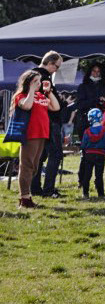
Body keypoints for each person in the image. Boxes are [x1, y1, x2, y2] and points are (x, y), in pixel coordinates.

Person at [9, 69, 58, 208]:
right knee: (27, 166)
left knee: (35, 167)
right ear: (29, 82)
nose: (39, 83)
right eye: (36, 81)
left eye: (39, 81)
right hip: (30, 134)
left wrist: (48, 92)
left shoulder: (41, 96)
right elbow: (27, 105)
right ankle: (24, 198)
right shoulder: (21, 96)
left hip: (42, 134)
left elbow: (56, 107)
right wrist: (31, 90)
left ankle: (27, 196)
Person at [30, 51, 66, 199]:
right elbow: (50, 103)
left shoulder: (31, 75)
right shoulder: (43, 78)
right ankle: (48, 189)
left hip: (39, 121)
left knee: (40, 155)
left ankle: (36, 188)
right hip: (49, 121)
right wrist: (60, 101)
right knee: (55, 154)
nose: (56, 70)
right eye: (57, 67)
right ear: (50, 63)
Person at [73, 63, 105, 144]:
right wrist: (96, 100)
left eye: (98, 71)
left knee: (100, 147)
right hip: (85, 121)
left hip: (103, 121)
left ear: (102, 73)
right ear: (90, 72)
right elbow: (79, 104)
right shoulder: (83, 86)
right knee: (86, 147)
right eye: (94, 71)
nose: (96, 73)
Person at [78, 108, 105, 198]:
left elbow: (83, 145)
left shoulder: (87, 131)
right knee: (99, 175)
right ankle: (101, 194)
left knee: (87, 174)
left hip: (89, 155)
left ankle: (85, 193)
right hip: (100, 155)